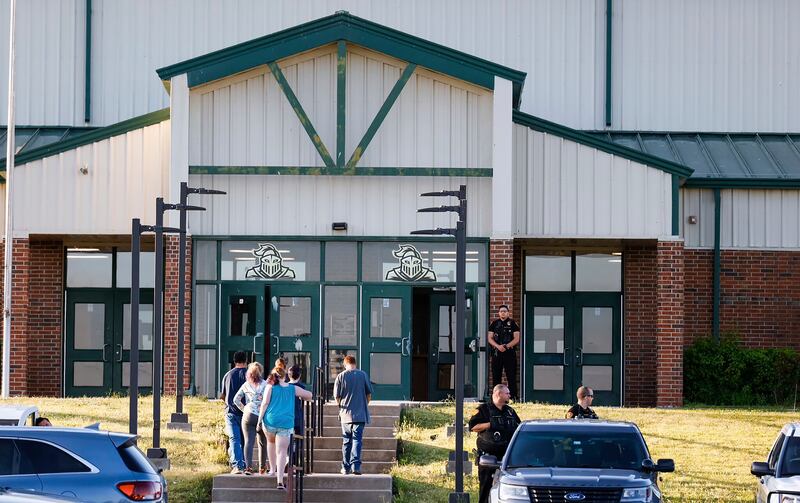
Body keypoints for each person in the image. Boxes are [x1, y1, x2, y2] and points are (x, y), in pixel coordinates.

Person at [257, 366, 313, 490]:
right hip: (286, 422)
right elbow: (309, 395)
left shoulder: (270, 387)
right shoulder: (293, 388)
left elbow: (265, 403)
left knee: (271, 443)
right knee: (282, 451)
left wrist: (259, 420)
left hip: (270, 421)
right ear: (285, 376)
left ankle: (272, 470)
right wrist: (304, 397)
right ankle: (280, 480)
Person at [469, 384, 521, 503]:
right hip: (489, 458)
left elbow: (519, 427)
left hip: (507, 458)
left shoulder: (510, 411)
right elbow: (473, 427)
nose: (509, 395)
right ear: (498, 394)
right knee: (486, 489)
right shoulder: (483, 409)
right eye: (507, 393)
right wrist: (490, 424)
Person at [333, 355, 373, 475]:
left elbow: (337, 397)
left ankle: (345, 467)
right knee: (357, 440)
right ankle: (356, 466)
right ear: (355, 364)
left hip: (345, 415)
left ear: (345, 364)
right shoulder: (363, 375)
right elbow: (369, 394)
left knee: (346, 441)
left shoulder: (341, 376)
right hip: (360, 414)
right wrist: (364, 404)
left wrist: (340, 407)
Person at [233, 362, 268, 475]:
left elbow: (236, 400)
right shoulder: (266, 384)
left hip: (249, 415)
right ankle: (262, 468)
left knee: (248, 441)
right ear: (260, 372)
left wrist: (245, 409)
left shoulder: (246, 385)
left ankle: (248, 467)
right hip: (262, 416)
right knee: (262, 442)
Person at [220, 351, 248, 474]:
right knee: (245, 439)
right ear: (246, 361)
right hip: (247, 412)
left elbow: (222, 395)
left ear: (234, 361)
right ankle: (245, 464)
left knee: (234, 439)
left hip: (231, 412)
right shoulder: (249, 375)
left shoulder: (227, 375)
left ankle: (238, 465)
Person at [487, 305, 520, 399]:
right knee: (496, 376)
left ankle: (513, 397)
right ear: (499, 313)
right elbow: (489, 338)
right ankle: (495, 398)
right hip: (497, 353)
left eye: (505, 311)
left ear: (508, 312)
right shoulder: (494, 324)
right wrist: (498, 346)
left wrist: (506, 346)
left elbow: (517, 338)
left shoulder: (513, 323)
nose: (503, 313)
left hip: (509, 353)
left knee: (511, 375)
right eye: (501, 311)